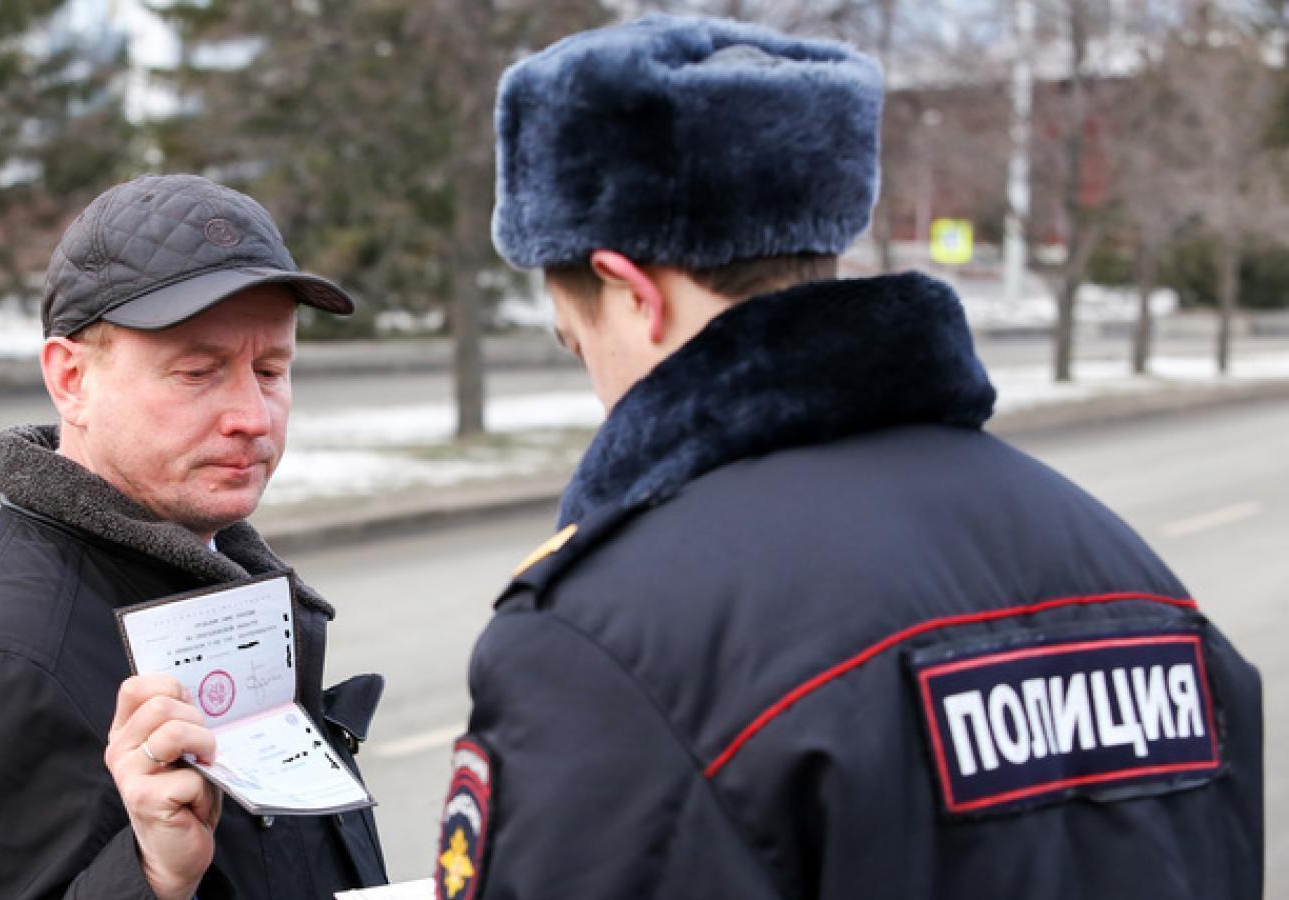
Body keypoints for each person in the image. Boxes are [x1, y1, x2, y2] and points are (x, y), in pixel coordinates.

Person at [433, 15, 1262, 900]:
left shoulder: (608, 641)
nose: (598, 391)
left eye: (576, 341)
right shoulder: (1140, 586)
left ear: (634, 296)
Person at [0, 173, 388, 900]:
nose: (251, 414)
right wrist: (150, 879)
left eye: (271, 369)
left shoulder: (217, 579)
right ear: (70, 378)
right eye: (198, 372)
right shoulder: (0, 663)